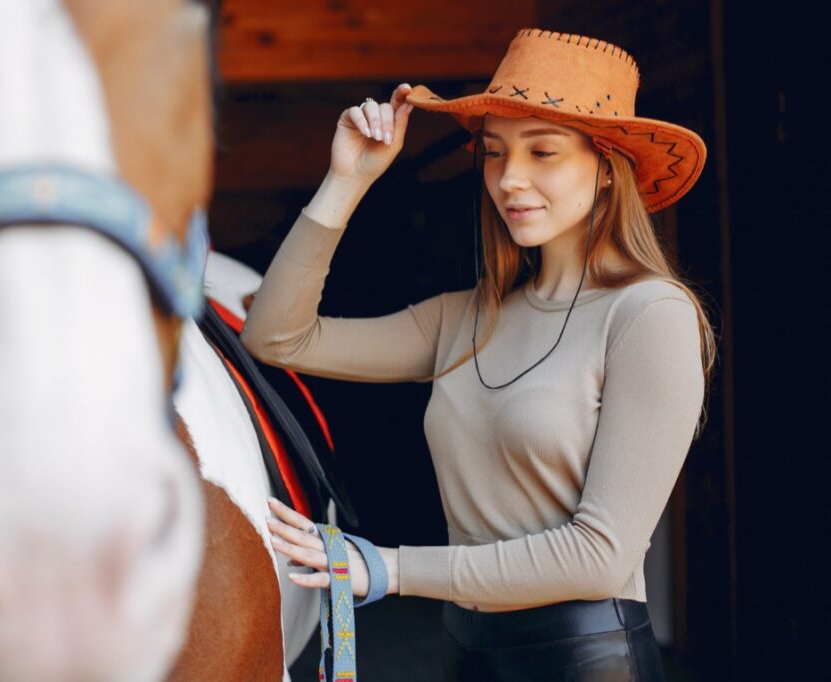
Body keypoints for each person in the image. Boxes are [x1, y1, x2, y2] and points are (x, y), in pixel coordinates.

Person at [243, 28, 715, 680]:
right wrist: (347, 181)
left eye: (542, 151)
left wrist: (391, 567)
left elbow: (600, 555)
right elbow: (276, 337)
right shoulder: (463, 318)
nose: (509, 179)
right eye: (493, 152)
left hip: (585, 661)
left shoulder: (649, 316)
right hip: (468, 655)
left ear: (608, 168)